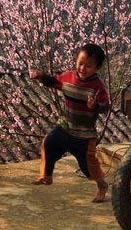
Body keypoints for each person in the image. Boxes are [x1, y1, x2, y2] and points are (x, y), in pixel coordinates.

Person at [29, 43, 111, 202]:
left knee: (89, 167)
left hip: (84, 135)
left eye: (88, 66)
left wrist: (95, 106)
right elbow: (53, 82)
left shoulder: (97, 86)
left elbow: (106, 106)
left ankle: (101, 184)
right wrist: (40, 75)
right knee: (49, 144)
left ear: (97, 67)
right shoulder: (68, 77)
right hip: (65, 126)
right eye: (80, 63)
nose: (83, 68)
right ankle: (46, 175)